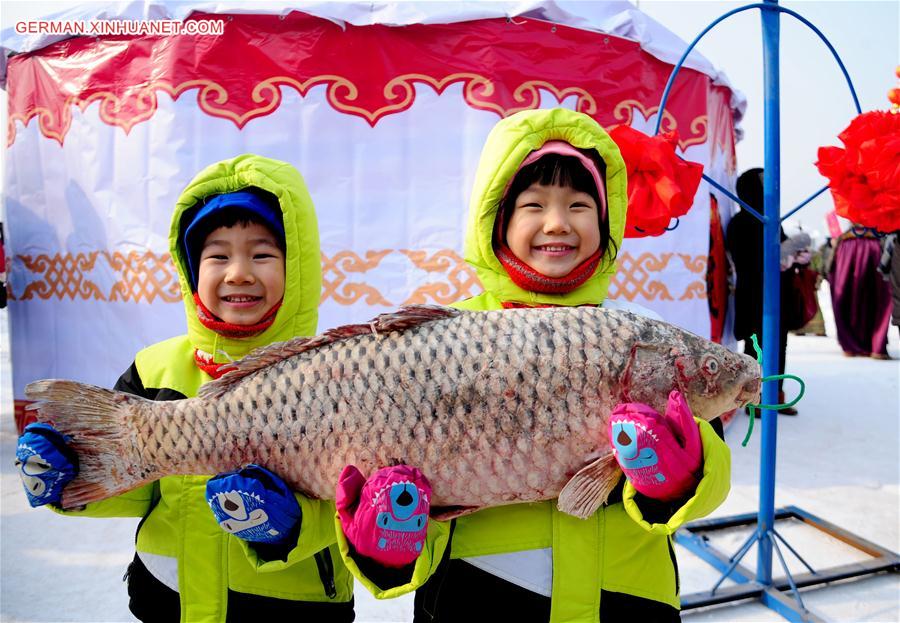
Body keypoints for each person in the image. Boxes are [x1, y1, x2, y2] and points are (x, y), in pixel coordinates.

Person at [335, 108, 732, 622]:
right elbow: (406, 489)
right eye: (533, 204)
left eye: (579, 204)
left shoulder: (645, 335)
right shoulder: (438, 342)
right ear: (496, 217)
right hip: (477, 596)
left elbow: (715, 477)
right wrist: (386, 547)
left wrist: (687, 476)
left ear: (607, 216)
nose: (557, 223)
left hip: (627, 597)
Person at [14, 155, 354, 621]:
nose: (238, 272)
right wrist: (70, 473)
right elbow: (135, 483)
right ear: (192, 270)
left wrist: (291, 526)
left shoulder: (335, 375)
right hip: (165, 596)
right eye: (218, 256)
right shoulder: (154, 368)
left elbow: (353, 502)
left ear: (297, 269)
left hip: (289, 603)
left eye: (262, 254)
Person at [725, 168, 800, 415]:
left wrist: (794, 252)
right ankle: (753, 400)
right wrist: (783, 254)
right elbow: (748, 261)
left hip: (779, 297)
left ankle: (775, 395)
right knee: (755, 349)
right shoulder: (740, 224)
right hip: (755, 297)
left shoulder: (772, 221)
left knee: (779, 346)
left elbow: (789, 254)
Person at [829, 227, 893, 358]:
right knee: (877, 299)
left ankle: (851, 345)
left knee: (847, 298)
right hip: (873, 247)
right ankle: (875, 345)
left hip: (849, 248)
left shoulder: (844, 238)